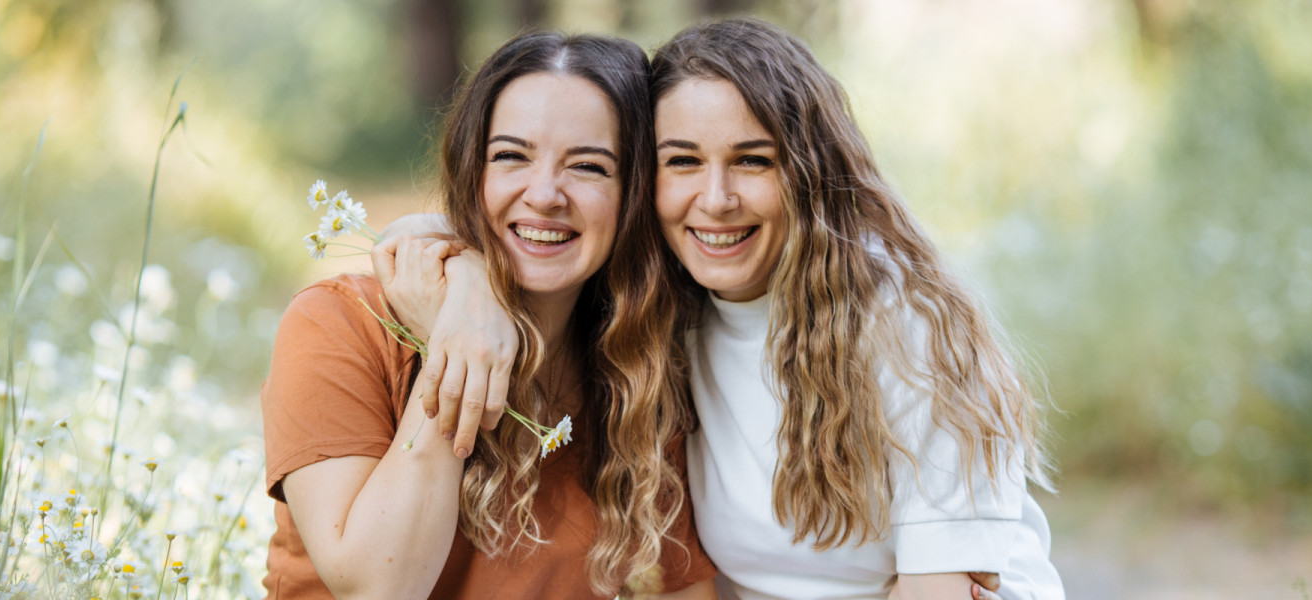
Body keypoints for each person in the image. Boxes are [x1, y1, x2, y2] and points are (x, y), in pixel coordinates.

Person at [379, 18, 1061, 600]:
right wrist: (470, 286)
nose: (716, 199)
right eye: (683, 162)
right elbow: (427, 238)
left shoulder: (910, 327)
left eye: (753, 161)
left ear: (810, 173)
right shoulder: (661, 312)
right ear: (644, 181)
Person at [260, 31, 716, 599]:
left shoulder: (636, 369)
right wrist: (452, 345)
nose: (545, 194)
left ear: (634, 194)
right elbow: (378, 589)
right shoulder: (337, 323)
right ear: (470, 172)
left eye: (589, 167)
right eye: (510, 156)